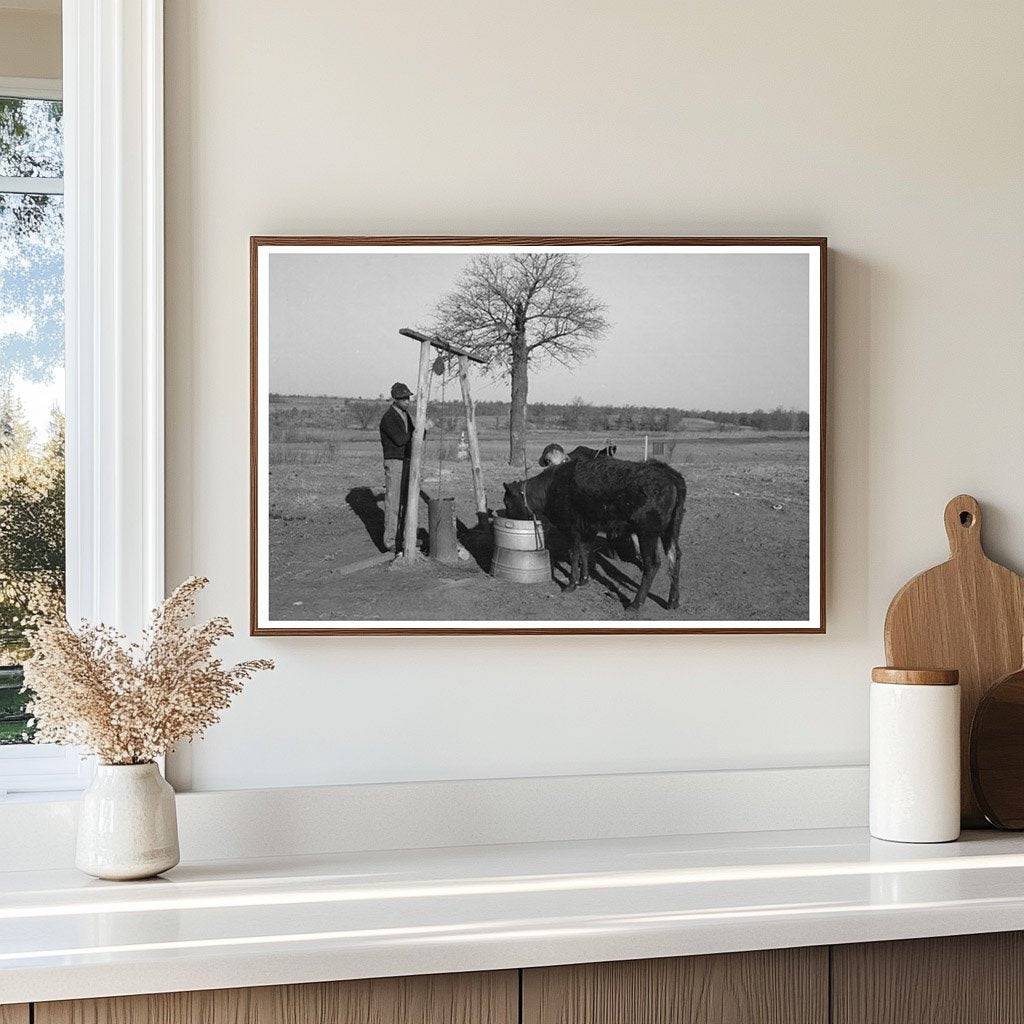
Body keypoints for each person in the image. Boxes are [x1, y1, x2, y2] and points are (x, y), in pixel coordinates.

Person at [379, 382, 414, 551]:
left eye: (408, 397)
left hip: (406, 461)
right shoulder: (389, 418)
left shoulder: (405, 415)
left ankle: (405, 538)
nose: (408, 401)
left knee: (406, 501)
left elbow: (413, 436)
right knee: (393, 502)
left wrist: (422, 430)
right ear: (396, 399)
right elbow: (401, 440)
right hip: (394, 462)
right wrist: (417, 432)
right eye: (404, 398)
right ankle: (390, 541)